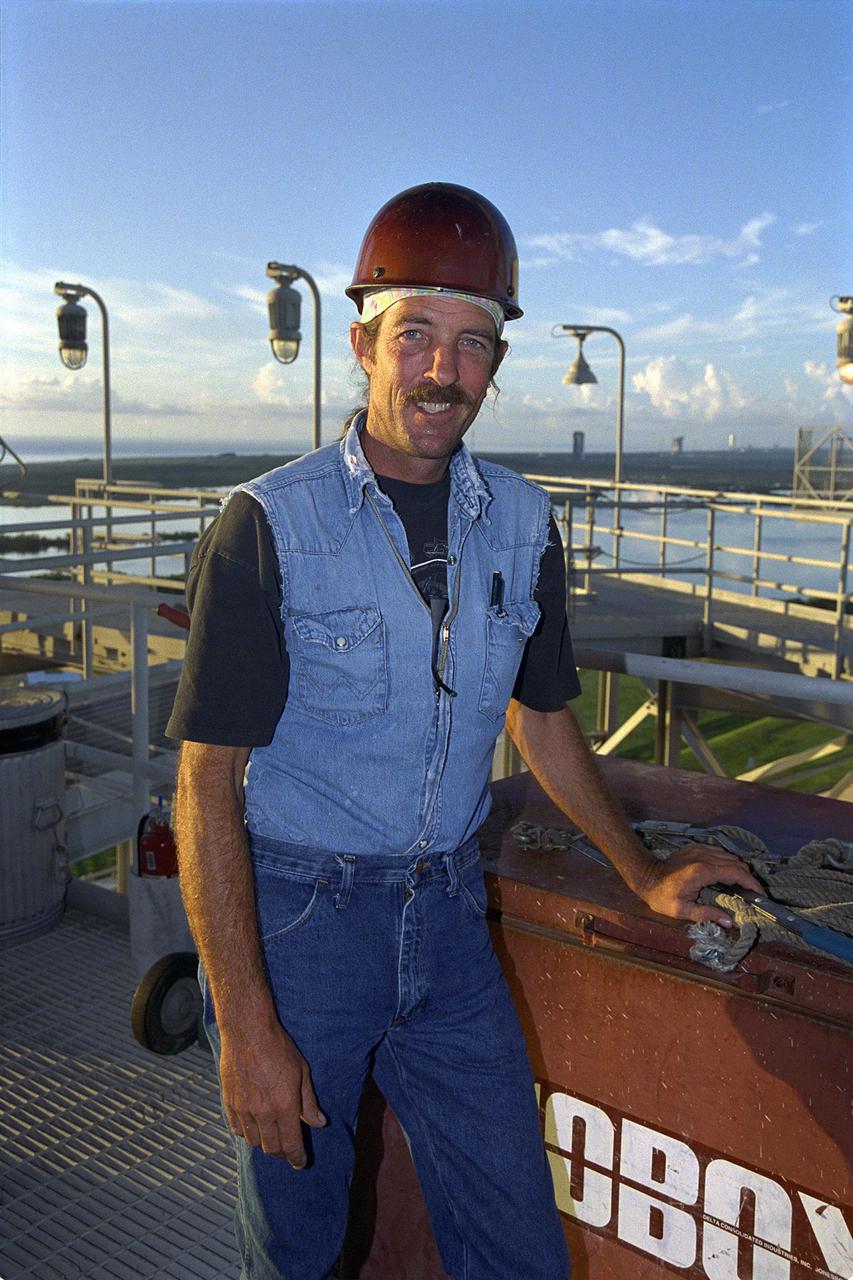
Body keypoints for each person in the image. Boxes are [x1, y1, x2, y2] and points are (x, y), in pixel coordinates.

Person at [167, 183, 762, 1280]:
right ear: (361, 344)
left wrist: (637, 872)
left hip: (445, 918)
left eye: (473, 342)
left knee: (519, 1247)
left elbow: (539, 716)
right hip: (304, 925)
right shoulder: (268, 525)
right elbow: (206, 783)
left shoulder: (524, 522)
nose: (442, 371)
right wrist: (247, 1023)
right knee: (296, 1249)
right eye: (416, 336)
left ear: (495, 359)